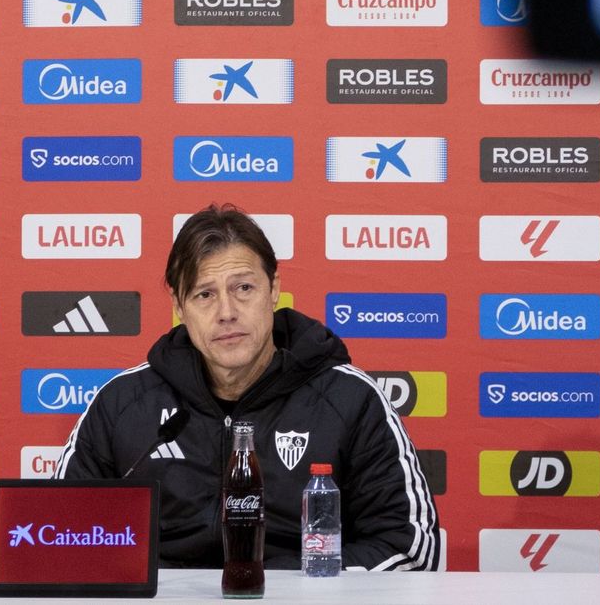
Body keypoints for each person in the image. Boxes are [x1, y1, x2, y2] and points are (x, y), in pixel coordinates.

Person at [55, 204, 440, 571]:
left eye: (243, 288)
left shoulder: (351, 400)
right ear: (178, 304)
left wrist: (276, 585)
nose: (226, 312)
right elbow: (58, 536)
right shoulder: (123, 404)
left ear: (273, 289)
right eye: (204, 294)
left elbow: (409, 549)